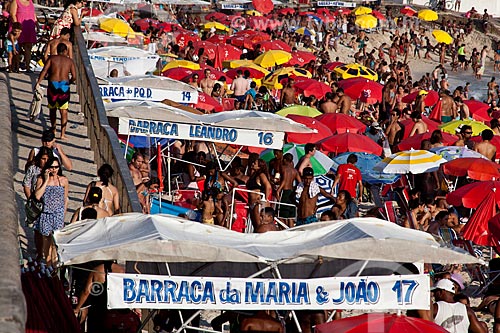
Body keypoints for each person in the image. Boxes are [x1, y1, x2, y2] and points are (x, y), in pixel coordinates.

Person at [35, 43, 76, 140]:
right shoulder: (69, 61)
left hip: (52, 85)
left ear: (57, 50)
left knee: (52, 109)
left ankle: (53, 130)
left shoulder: (52, 59)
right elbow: (74, 77)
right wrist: (69, 82)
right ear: (66, 51)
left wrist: (38, 83)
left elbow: (44, 70)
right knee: (64, 111)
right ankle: (62, 134)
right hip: (64, 87)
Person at [33, 156, 69, 266]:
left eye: (56, 167)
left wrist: (63, 214)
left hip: (58, 214)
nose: (54, 169)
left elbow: (65, 198)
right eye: (52, 167)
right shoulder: (41, 179)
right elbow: (37, 196)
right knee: (46, 241)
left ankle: (53, 265)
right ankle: (48, 264)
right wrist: (46, 180)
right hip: (45, 214)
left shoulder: (63, 180)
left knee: (55, 243)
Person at [9, 0, 37, 72]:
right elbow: (12, 14)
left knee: (28, 47)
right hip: (19, 27)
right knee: (17, 47)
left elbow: (33, 14)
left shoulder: (30, 2)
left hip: (29, 28)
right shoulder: (16, 1)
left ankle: (27, 67)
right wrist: (17, 27)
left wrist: (36, 24)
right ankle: (15, 66)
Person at [276, 153, 301, 227]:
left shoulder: (283, 168)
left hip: (284, 192)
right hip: (292, 192)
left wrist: (278, 190)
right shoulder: (295, 171)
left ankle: (284, 231)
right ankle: (291, 232)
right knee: (290, 217)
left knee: (281, 215)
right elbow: (300, 183)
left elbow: (284, 180)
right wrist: (295, 189)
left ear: (284, 159)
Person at [246, 159, 272, 228]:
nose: (253, 164)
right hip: (252, 203)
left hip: (257, 203)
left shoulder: (261, 175)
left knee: (259, 225)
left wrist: (264, 199)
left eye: (255, 163)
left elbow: (268, 186)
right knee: (254, 225)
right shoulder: (253, 175)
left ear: (259, 166)